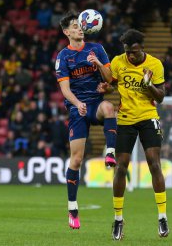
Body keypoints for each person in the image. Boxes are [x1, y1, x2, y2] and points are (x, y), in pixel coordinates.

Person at [55, 12, 117, 229]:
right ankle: (72, 207)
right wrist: (76, 103)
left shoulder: (97, 49)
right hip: (77, 109)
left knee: (110, 107)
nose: (80, 28)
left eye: (80, 25)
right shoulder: (63, 57)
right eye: (75, 26)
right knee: (76, 160)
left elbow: (110, 80)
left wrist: (98, 63)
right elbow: (65, 89)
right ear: (66, 32)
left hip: (96, 104)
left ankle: (110, 153)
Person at [107, 29, 169, 240]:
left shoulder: (155, 64)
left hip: (148, 117)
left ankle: (162, 216)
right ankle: (117, 219)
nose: (130, 56)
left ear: (141, 48)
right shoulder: (118, 62)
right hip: (125, 120)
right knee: (121, 167)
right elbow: (110, 85)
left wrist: (148, 84)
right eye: (127, 51)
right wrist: (104, 88)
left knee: (154, 163)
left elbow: (160, 97)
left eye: (133, 51)